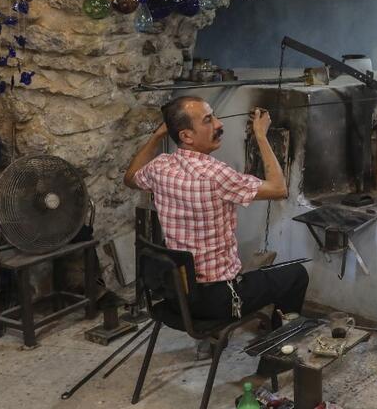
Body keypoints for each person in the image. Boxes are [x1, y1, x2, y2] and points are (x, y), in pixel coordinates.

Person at [124, 96, 309, 331]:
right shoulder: (216, 175)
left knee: (259, 273)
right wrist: (261, 135)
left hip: (176, 295)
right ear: (186, 136)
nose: (219, 124)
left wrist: (159, 134)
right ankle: (276, 355)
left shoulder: (159, 167)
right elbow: (279, 189)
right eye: (208, 120)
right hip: (216, 300)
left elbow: (130, 178)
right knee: (296, 275)